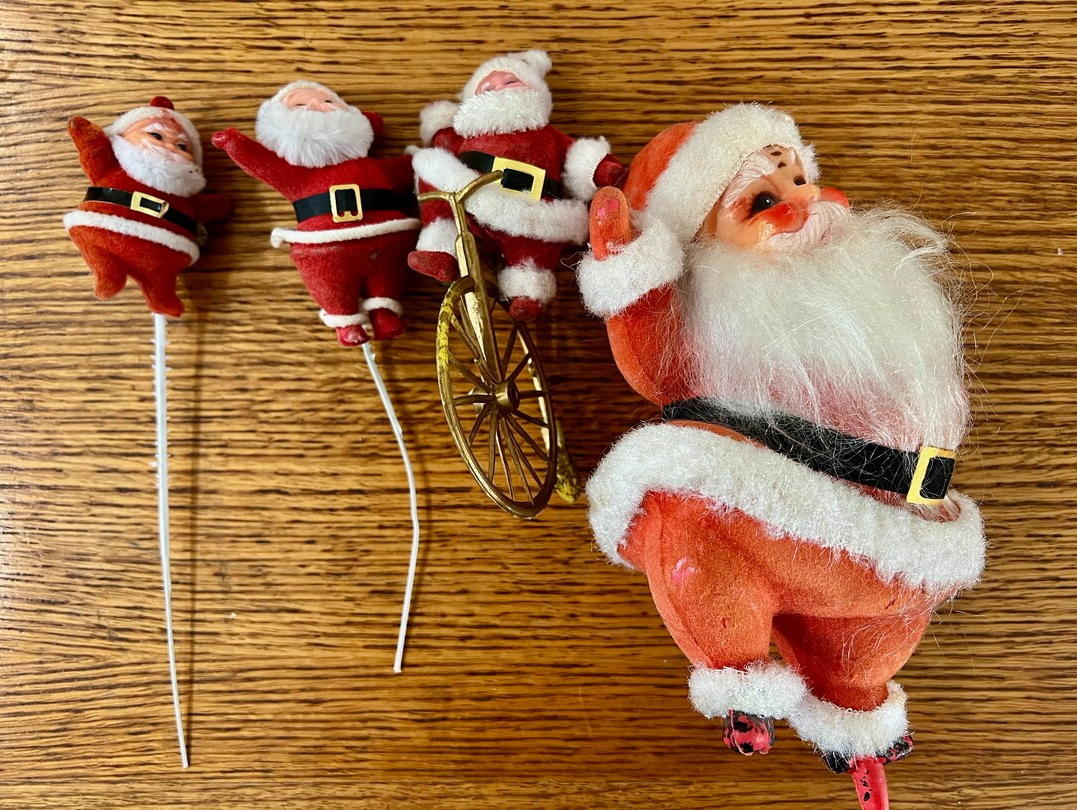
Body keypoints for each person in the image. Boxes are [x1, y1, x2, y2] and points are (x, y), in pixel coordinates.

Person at [577, 103, 986, 809]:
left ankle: (858, 722)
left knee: (863, 660)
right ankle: (742, 678)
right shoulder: (708, 327)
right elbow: (650, 354)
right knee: (688, 515)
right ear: (700, 259)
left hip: (900, 549)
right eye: (761, 202)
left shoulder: (868, 285)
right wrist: (631, 274)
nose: (803, 206)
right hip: (766, 535)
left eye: (798, 180)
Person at [411, 50, 624, 320]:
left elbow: (579, 156)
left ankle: (527, 293)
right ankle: (441, 249)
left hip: (530, 214)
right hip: (470, 208)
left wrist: (601, 168)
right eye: (487, 87)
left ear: (534, 90)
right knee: (433, 167)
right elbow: (442, 145)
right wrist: (441, 130)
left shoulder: (549, 136)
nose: (499, 87)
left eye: (510, 81)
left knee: (532, 255)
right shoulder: (465, 137)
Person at [213, 81, 417, 346]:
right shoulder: (295, 173)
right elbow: (262, 162)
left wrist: (419, 160)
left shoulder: (373, 167)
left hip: (386, 241)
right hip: (324, 248)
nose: (315, 105)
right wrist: (234, 143)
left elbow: (404, 171)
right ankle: (346, 323)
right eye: (299, 105)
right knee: (332, 285)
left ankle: (384, 314)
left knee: (387, 278)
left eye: (328, 101)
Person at [65, 96, 230, 316]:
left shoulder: (183, 192)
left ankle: (161, 296)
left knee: (160, 279)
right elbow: (93, 151)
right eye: (156, 135)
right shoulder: (114, 167)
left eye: (182, 146)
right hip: (104, 229)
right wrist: (87, 136)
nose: (169, 146)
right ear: (122, 136)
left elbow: (201, 208)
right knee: (96, 247)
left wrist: (217, 207)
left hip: (167, 251)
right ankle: (107, 273)